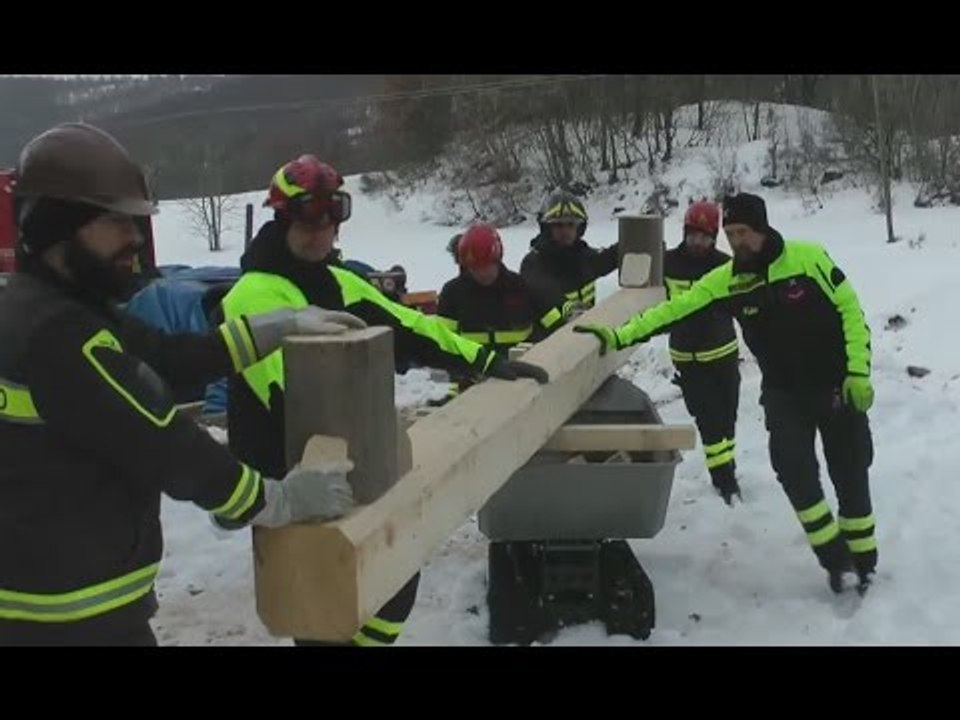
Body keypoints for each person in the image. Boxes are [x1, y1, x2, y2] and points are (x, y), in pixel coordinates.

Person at [0, 123, 365, 646]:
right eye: (114, 221)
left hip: (44, 604)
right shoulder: (62, 335)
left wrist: (273, 329)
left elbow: (165, 357)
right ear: (57, 227)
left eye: (136, 221)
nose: (135, 239)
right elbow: (165, 443)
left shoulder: (47, 306)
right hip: (72, 621)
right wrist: (276, 499)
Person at [221, 155, 548, 646]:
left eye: (331, 222)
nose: (321, 233)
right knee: (324, 613)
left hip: (353, 465)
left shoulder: (338, 281)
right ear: (282, 217)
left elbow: (414, 328)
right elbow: (290, 396)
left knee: (394, 578)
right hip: (295, 483)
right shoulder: (253, 295)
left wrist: (484, 360)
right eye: (308, 221)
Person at [575, 192, 877, 595]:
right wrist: (617, 335)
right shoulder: (728, 280)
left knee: (850, 470)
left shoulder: (809, 259)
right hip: (784, 393)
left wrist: (858, 371)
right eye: (730, 233)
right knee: (793, 469)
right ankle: (832, 555)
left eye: (742, 233)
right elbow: (674, 310)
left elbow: (851, 311)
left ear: (762, 228)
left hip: (836, 384)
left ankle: (865, 561)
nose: (736, 242)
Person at [664, 200, 741, 504]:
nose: (698, 242)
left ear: (714, 237)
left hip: (723, 352)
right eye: (692, 235)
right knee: (709, 421)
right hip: (689, 357)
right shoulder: (668, 263)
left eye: (705, 236)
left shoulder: (726, 265)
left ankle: (728, 464)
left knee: (728, 418)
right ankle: (723, 480)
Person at [437, 223, 562, 394]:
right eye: (476, 268)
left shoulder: (522, 288)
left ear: (498, 259)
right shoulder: (453, 294)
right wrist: (455, 388)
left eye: (487, 265)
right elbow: (445, 345)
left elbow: (559, 328)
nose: (483, 273)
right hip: (473, 385)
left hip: (523, 381)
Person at [520, 189, 618, 321]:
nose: (565, 231)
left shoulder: (584, 257)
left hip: (585, 334)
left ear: (579, 228)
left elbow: (610, 257)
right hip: (551, 339)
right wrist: (568, 308)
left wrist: (638, 240)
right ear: (547, 228)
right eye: (558, 225)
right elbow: (545, 292)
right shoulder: (534, 264)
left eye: (571, 224)